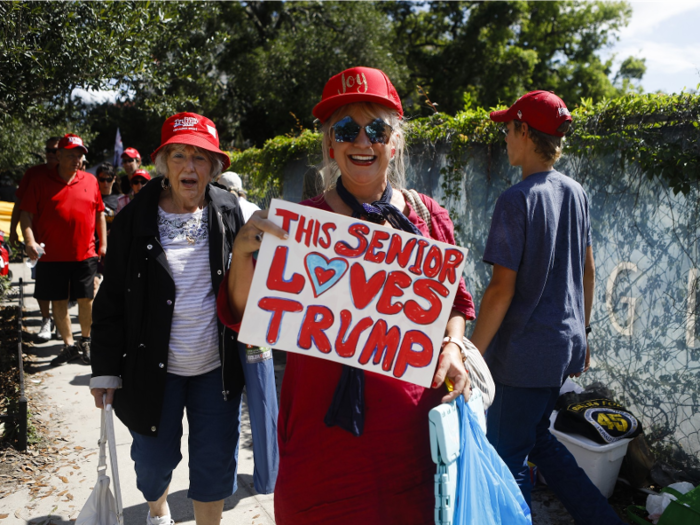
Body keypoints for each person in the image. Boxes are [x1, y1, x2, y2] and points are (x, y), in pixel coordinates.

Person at [219, 66, 476, 524]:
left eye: (376, 129)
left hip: (410, 443)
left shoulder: (427, 216)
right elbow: (243, 316)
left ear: (393, 142)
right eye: (346, 129)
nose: (362, 141)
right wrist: (241, 254)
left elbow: (455, 302)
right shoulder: (297, 228)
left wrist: (453, 346)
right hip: (320, 448)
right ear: (329, 144)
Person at [469, 91, 624, 524]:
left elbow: (501, 290)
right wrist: (583, 334)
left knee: (507, 457)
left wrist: (472, 354)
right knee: (539, 438)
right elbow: (588, 273)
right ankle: (604, 518)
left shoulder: (516, 199)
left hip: (521, 356)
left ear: (523, 131)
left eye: (507, 129)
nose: (503, 138)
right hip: (561, 348)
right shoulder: (576, 193)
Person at [90, 112, 248, 525]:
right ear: (164, 164)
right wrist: (105, 371)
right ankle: (157, 508)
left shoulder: (229, 210)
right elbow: (109, 303)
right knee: (153, 464)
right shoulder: (132, 221)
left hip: (216, 369)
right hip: (150, 370)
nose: (190, 167)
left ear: (213, 168)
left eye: (200, 158)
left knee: (215, 463)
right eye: (179, 155)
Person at [215, 170, 278, 494]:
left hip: (252, 324)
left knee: (259, 396)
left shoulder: (248, 212)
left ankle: (266, 479)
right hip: (243, 322)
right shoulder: (217, 210)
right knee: (255, 397)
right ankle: (261, 478)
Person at [20, 134, 107, 365]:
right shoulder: (40, 181)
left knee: (86, 299)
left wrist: (104, 243)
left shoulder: (90, 180)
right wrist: (29, 242)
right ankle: (69, 346)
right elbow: (26, 215)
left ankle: (85, 341)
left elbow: (99, 213)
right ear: (58, 155)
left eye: (79, 155)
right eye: (71, 155)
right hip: (51, 256)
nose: (76, 160)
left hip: (85, 253)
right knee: (58, 301)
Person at [10, 136, 61, 341]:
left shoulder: (74, 174)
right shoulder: (34, 174)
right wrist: (14, 230)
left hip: (65, 242)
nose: (50, 154)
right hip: (38, 240)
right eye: (48, 150)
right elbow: (20, 204)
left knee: (63, 286)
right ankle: (46, 319)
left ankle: (60, 321)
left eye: (54, 151)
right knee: (43, 283)